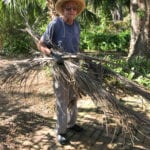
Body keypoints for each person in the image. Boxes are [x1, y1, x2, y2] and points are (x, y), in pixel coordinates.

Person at [38, 0, 86, 145]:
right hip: (60, 68)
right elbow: (41, 44)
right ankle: (61, 131)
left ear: (77, 11)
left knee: (73, 97)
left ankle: (71, 124)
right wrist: (52, 54)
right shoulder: (55, 24)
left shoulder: (76, 25)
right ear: (62, 10)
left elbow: (75, 45)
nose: (71, 11)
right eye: (68, 8)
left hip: (74, 68)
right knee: (62, 99)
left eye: (74, 9)